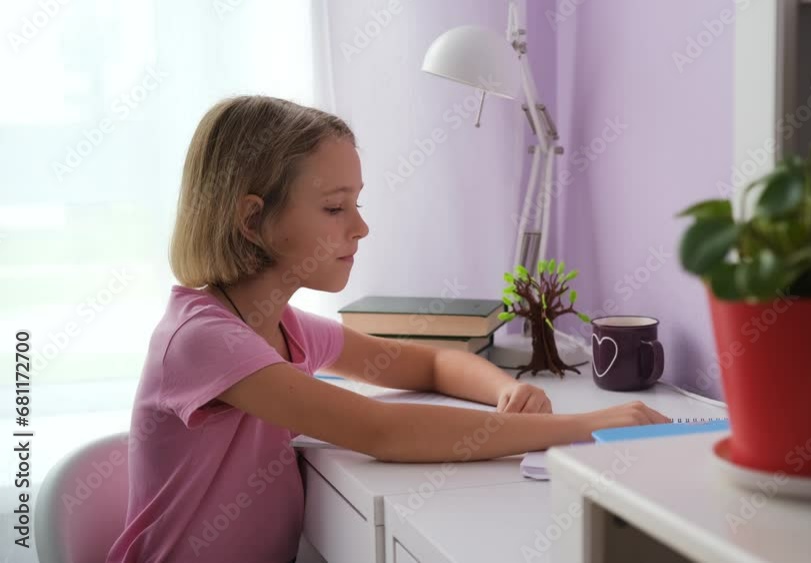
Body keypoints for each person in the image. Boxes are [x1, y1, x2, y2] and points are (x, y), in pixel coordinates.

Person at [106, 95, 669, 563]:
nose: (361, 227)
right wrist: (587, 425)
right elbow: (382, 431)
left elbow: (428, 363)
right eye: (335, 209)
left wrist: (505, 390)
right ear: (253, 220)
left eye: (358, 203)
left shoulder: (283, 327)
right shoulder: (202, 340)